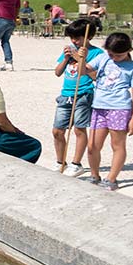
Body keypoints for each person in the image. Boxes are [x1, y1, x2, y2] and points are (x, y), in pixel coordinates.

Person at [83, 32, 133, 191]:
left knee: (117, 145)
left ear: (128, 50)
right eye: (111, 54)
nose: (114, 58)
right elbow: (84, 70)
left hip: (120, 108)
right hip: (99, 107)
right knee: (92, 146)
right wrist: (81, 58)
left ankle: (111, 178)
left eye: (118, 55)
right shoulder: (103, 58)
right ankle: (94, 175)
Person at [52, 18, 104, 177]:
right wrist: (67, 58)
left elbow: (96, 76)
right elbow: (58, 72)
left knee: (79, 129)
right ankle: (60, 162)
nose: (74, 41)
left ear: (88, 37)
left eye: (77, 38)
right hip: (66, 94)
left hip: (84, 94)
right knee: (57, 131)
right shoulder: (68, 50)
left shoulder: (97, 53)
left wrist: (81, 58)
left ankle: (76, 163)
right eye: (71, 38)